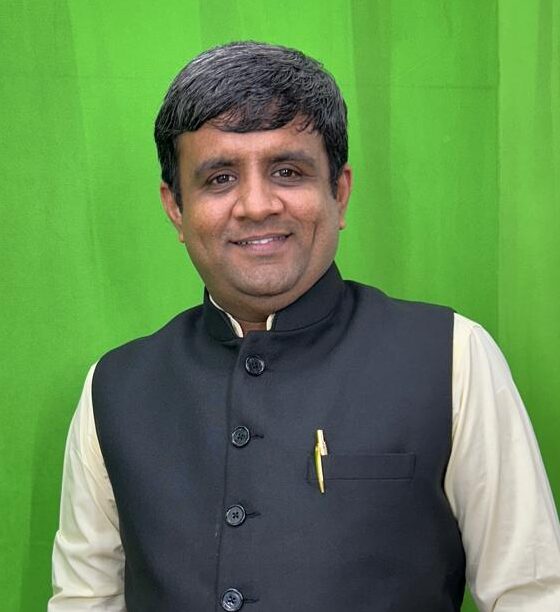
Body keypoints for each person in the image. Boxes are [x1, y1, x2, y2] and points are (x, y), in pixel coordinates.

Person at [49, 41, 560, 612]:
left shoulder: (454, 357)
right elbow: (84, 600)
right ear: (176, 208)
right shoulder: (114, 387)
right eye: (220, 178)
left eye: (287, 171)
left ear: (339, 192)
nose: (256, 205)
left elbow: (532, 597)